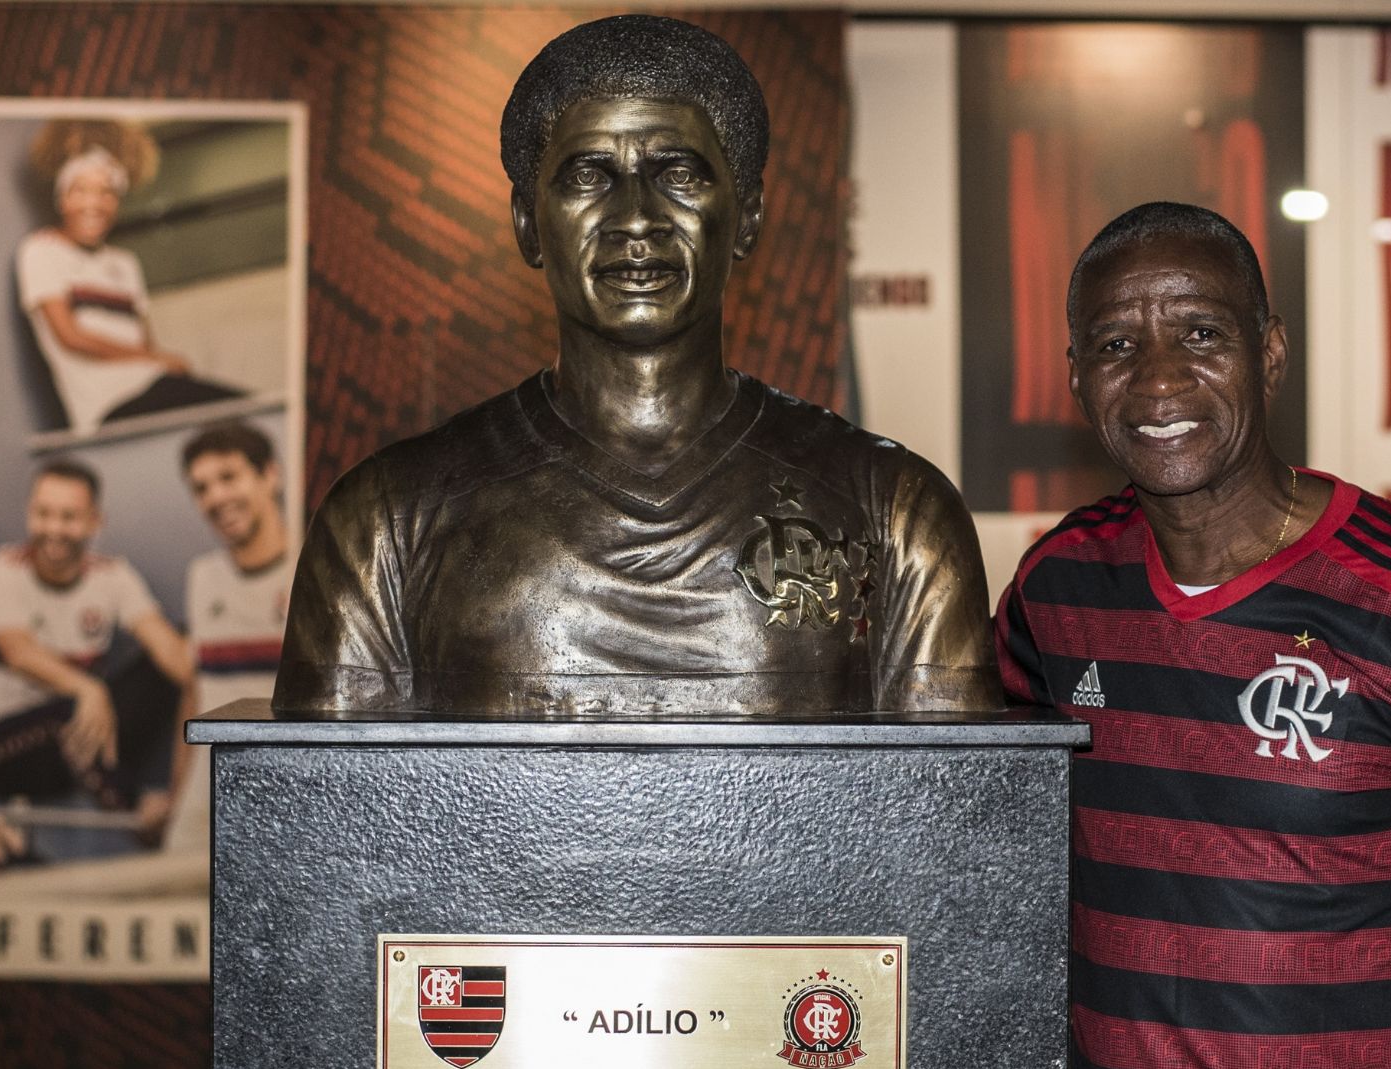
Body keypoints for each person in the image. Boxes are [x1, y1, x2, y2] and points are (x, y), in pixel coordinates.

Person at [995, 202, 1391, 1069]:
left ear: (1270, 353)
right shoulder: (1052, 590)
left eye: (1201, 334)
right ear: (1075, 375)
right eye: (1115, 346)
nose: (1158, 381)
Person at [275, 15, 998, 717]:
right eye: (589, 176)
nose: (637, 218)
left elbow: (945, 821)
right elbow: (332, 822)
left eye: (677, 173)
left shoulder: (896, 513)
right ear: (528, 223)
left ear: (745, 215)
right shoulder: (384, 523)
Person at [0, 459, 192, 854]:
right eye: (43, 514)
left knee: (181, 646)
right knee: (68, 712)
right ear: (29, 515)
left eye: (69, 517)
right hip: (3, 747)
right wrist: (88, 689)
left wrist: (198, 674)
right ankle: (143, 815)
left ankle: (179, 804)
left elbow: (171, 654)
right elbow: (15, 649)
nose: (53, 529)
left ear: (94, 522)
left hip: (85, 733)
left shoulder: (112, 576)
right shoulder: (2, 571)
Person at [18, 119, 239, 435]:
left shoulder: (126, 263)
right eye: (80, 190)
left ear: (117, 203)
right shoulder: (40, 250)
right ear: (62, 198)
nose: (93, 203)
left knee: (241, 407)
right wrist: (156, 359)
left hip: (157, 385)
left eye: (106, 192)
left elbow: (143, 338)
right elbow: (70, 336)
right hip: (110, 406)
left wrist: (158, 361)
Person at [161, 422, 294, 852]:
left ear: (269, 475)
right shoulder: (202, 576)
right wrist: (175, 798)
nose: (216, 497)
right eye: (201, 488)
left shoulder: (316, 567)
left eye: (229, 477)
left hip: (289, 801)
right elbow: (195, 693)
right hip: (204, 805)